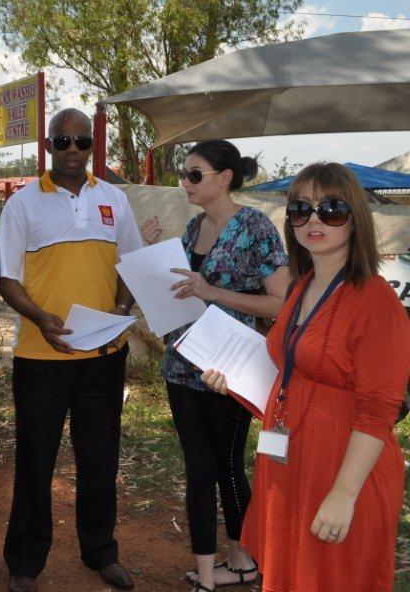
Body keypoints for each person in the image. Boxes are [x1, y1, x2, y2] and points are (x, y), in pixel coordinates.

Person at [201, 162, 410, 592]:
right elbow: (291, 370)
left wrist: (344, 494)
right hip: (289, 459)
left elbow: (379, 410)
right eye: (301, 209)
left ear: (355, 218)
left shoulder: (375, 300)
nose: (314, 220)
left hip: (341, 468)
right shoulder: (303, 285)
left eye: (331, 209)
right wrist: (233, 380)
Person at [0, 108, 143, 592]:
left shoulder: (114, 199)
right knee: (35, 461)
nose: (73, 150)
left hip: (104, 356)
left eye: (82, 141)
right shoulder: (22, 205)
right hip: (41, 358)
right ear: (49, 146)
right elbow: (6, 278)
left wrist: (121, 308)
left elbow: (131, 264)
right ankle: (25, 563)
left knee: (100, 459)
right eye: (63, 142)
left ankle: (101, 552)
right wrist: (40, 318)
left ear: (92, 147)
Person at [142, 140, 289, 591]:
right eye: (183, 174)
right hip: (182, 366)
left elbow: (281, 303)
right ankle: (207, 575)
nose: (185, 183)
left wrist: (213, 292)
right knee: (198, 468)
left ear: (224, 178)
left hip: (231, 370)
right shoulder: (193, 227)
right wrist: (154, 256)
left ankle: (241, 559)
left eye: (194, 174)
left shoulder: (256, 227)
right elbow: (185, 290)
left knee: (226, 465)